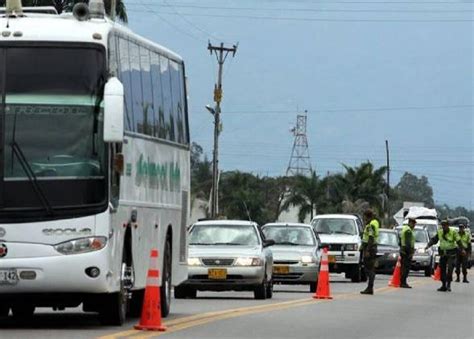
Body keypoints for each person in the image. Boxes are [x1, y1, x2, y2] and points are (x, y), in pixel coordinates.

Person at [426, 220, 464, 292]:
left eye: (445, 225)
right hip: (443, 253)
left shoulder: (453, 232)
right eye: (442, 225)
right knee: (442, 269)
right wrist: (428, 245)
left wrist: (462, 250)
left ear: (448, 225)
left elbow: (459, 241)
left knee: (450, 268)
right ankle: (443, 285)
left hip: (451, 253)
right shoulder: (440, 232)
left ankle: (448, 284)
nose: (443, 227)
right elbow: (434, 240)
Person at [360, 209, 380, 295]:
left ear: (367, 217)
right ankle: (369, 287)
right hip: (371, 248)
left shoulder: (371, 225)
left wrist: (367, 250)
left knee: (368, 268)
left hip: (370, 248)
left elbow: (370, 238)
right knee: (369, 267)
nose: (364, 219)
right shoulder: (374, 223)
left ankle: (370, 287)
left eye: (364, 217)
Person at [400, 217, 416, 288]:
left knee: (404, 267)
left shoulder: (405, 229)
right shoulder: (408, 231)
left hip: (403, 250)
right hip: (406, 251)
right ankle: (403, 282)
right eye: (413, 223)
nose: (414, 225)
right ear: (410, 223)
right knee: (406, 267)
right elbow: (408, 243)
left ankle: (403, 282)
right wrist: (410, 253)